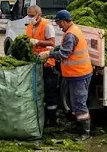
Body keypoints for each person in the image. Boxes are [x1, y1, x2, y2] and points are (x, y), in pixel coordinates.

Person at [40, 9, 93, 139]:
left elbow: (64, 54)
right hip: (74, 74)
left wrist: (49, 54)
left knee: (79, 103)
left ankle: (85, 132)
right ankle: (79, 125)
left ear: (64, 21)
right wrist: (55, 49)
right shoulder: (71, 30)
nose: (59, 26)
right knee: (74, 102)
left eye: (59, 23)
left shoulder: (71, 34)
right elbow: (64, 49)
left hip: (79, 74)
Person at [25, 5, 60, 126]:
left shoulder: (47, 25)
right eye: (28, 15)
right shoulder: (29, 26)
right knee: (39, 91)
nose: (29, 18)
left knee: (49, 92)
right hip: (35, 64)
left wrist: (38, 42)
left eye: (31, 16)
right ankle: (42, 118)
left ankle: (52, 120)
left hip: (47, 64)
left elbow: (52, 42)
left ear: (38, 15)